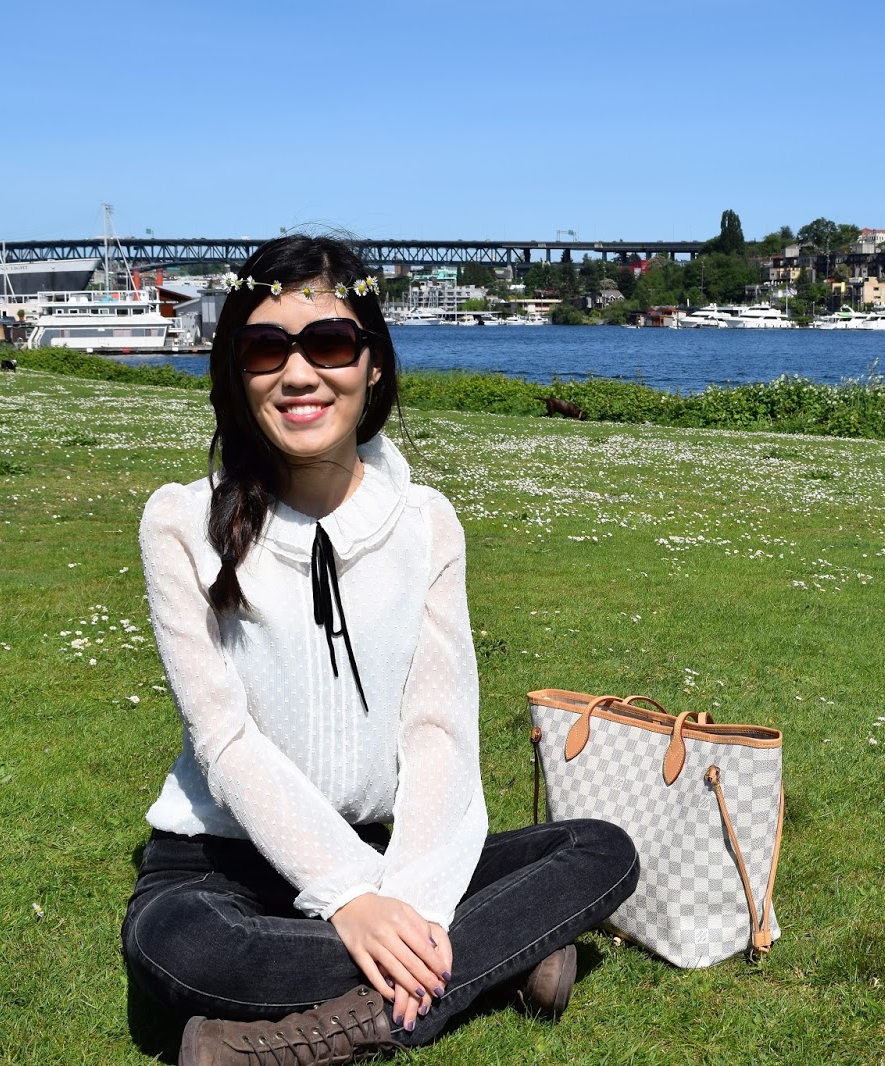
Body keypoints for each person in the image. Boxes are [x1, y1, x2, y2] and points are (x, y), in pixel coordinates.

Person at [120, 235, 638, 1066]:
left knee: (600, 852)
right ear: (235, 372)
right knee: (179, 948)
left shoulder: (427, 523)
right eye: (265, 349)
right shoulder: (180, 522)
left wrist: (411, 903)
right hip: (221, 863)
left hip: (384, 849)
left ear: (373, 366)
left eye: (328, 343)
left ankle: (313, 1032)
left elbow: (437, 729)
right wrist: (351, 900)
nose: (298, 375)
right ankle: (504, 957)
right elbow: (224, 738)